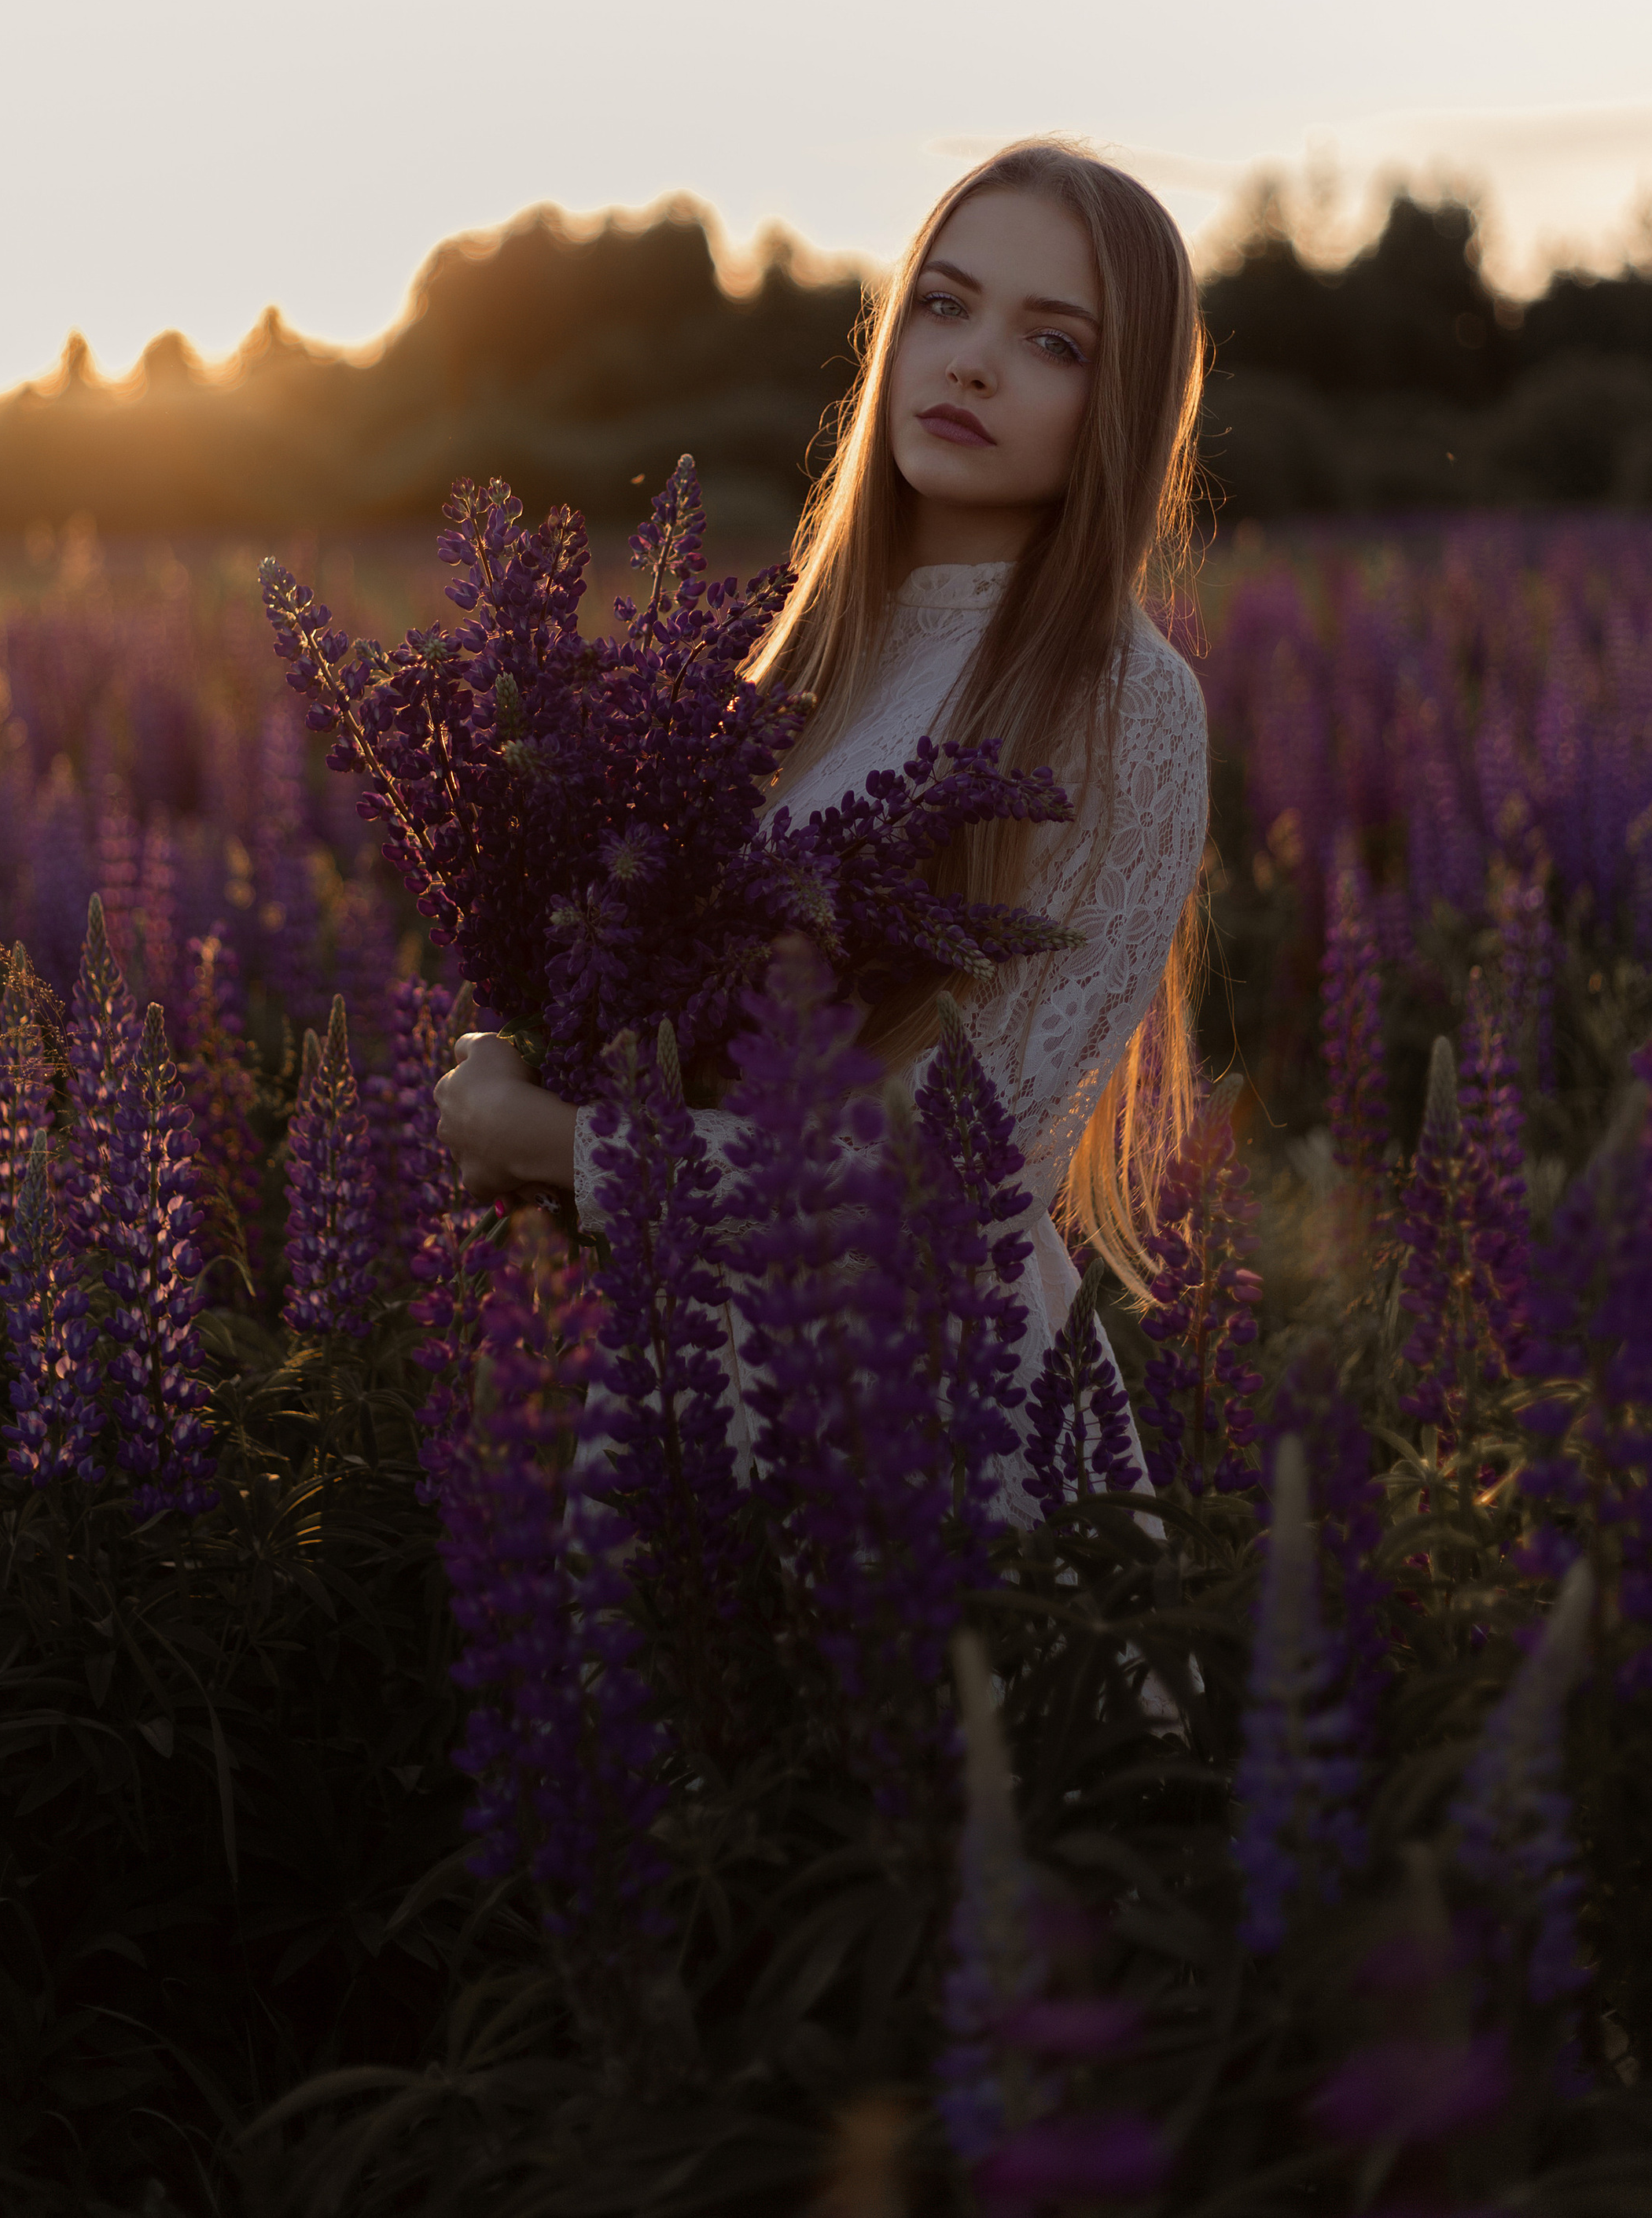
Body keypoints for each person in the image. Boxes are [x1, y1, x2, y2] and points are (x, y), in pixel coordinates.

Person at [432, 138, 1210, 1476]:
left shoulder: (1122, 697)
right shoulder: (794, 666)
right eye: (945, 304)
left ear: (1123, 404)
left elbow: (948, 1177)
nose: (972, 362)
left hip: (925, 1422)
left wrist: (560, 1145)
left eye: (1054, 342)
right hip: (681, 1380)